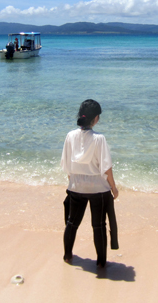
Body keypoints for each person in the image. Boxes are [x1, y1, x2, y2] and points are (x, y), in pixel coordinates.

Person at [61, 99, 119, 268]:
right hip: (98, 188)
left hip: (76, 186)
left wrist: (74, 182)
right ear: (96, 118)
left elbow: (67, 165)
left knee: (72, 223)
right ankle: (101, 262)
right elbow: (106, 168)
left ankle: (67, 255)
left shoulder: (70, 136)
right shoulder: (99, 139)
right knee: (99, 225)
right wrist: (114, 187)